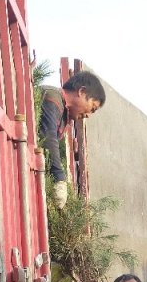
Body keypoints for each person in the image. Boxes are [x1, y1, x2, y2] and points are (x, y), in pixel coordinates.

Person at [38, 71, 106, 209]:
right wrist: (59, 178)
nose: (88, 115)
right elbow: (48, 139)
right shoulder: (52, 97)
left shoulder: (63, 114)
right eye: (92, 108)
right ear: (81, 91)